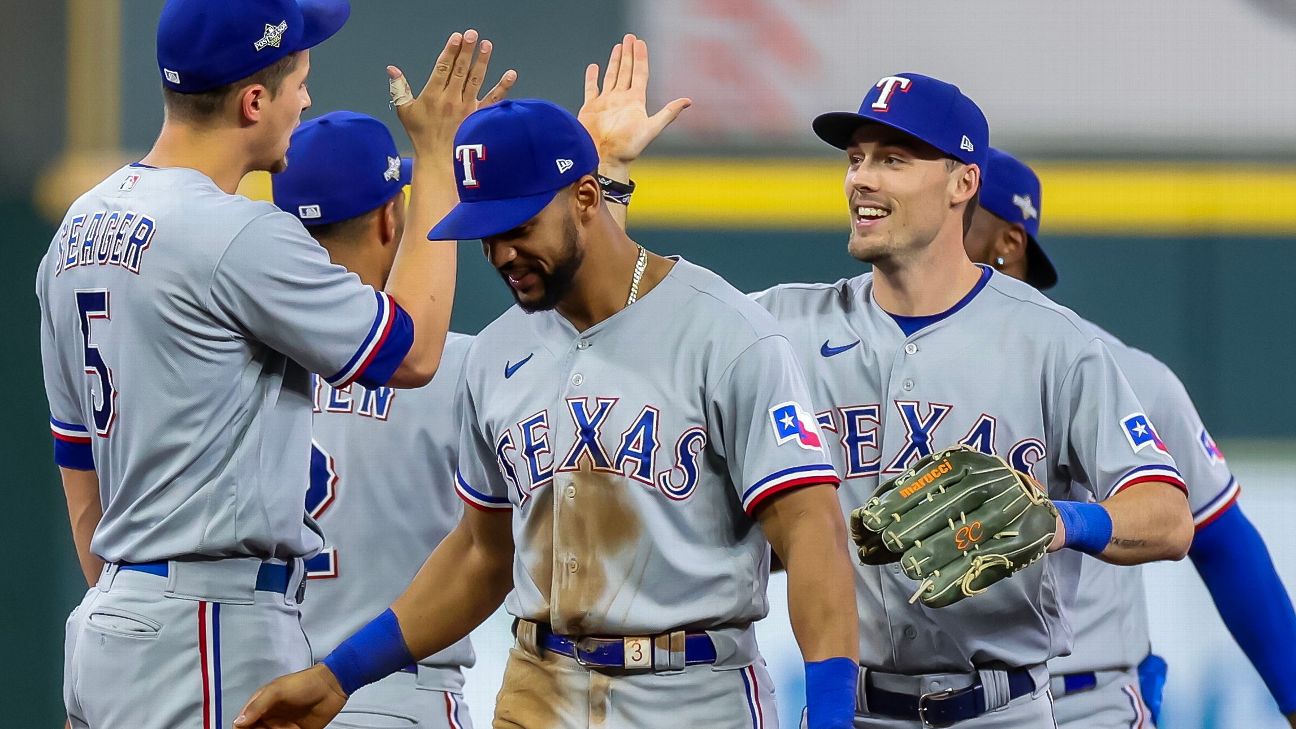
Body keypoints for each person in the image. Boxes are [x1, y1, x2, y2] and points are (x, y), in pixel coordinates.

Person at [234, 47, 861, 729]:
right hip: (539, 688)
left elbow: (812, 534)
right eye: (486, 236)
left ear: (587, 197)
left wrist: (829, 713)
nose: (503, 253)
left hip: (693, 691)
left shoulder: (729, 334)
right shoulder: (497, 352)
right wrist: (338, 674)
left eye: (520, 228)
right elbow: (481, 553)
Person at [596, 68, 1195, 726]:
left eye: (893, 160)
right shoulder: (784, 328)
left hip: (1004, 707)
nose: (862, 179)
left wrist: (1060, 521)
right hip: (852, 705)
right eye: (856, 159)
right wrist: (609, 183)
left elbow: (1168, 516)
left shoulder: (1052, 341)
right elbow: (634, 334)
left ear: (963, 182)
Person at [37, 0, 513, 722]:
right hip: (205, 627)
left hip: (110, 627)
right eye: (299, 81)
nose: (307, 100)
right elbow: (414, 351)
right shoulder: (235, 233)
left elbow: (82, 491)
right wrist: (437, 158)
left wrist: (134, 609)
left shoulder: (76, 228)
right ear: (253, 101)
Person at [968, 147, 1296, 729]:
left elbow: (1222, 543)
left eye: (961, 208)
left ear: (1009, 242)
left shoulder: (1122, 373)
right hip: (909, 703)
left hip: (1080, 701)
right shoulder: (876, 365)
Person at [271, 110, 479, 728]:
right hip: (400, 694)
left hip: (255, 693)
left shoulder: (237, 361)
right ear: (392, 220)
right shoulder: (458, 366)